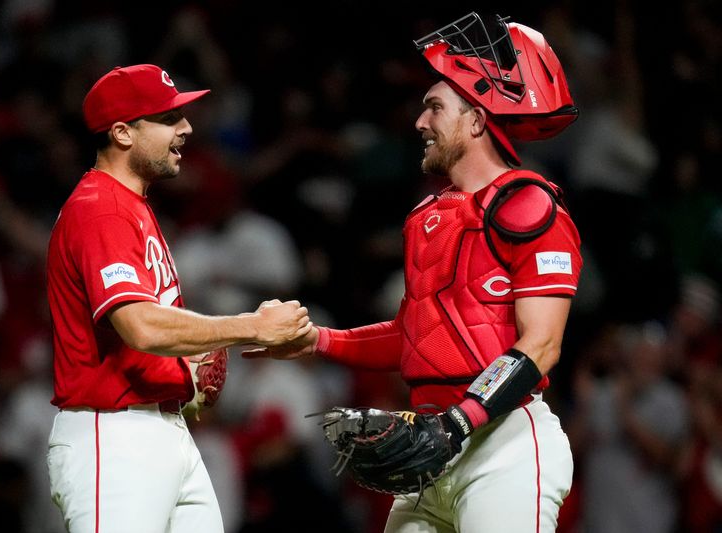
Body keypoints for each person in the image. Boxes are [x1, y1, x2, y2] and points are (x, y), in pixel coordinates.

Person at [245, 13, 582, 533]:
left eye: (434, 107)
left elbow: (541, 346)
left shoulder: (530, 206)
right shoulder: (428, 217)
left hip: (505, 447)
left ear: (476, 120)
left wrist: (459, 421)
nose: (420, 122)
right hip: (434, 447)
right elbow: (415, 335)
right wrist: (318, 342)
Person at [45, 64, 312, 533]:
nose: (186, 128)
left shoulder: (133, 207)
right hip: (114, 434)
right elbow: (141, 326)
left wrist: (182, 370)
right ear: (123, 133)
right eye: (168, 118)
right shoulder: (100, 209)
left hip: (163, 430)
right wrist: (251, 325)